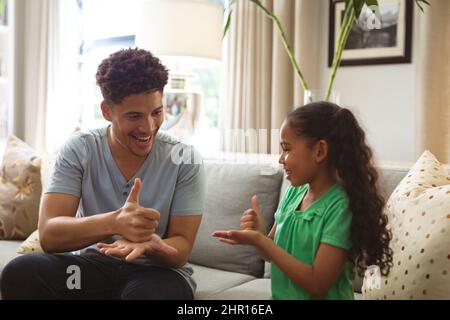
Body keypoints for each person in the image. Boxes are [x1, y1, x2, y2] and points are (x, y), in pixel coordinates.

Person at [1, 48, 205, 299]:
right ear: (107, 111)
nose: (148, 127)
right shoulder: (80, 148)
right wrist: (113, 222)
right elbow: (50, 235)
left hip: (155, 273)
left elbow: (182, 247)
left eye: (156, 112)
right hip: (89, 270)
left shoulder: (185, 158)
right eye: (134, 116)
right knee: (21, 272)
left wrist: (153, 245)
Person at [213, 102, 393, 300]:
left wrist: (261, 242)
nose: (281, 159)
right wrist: (259, 234)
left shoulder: (340, 207)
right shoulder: (293, 194)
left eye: (287, 149)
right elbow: (271, 253)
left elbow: (317, 283)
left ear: (319, 151)